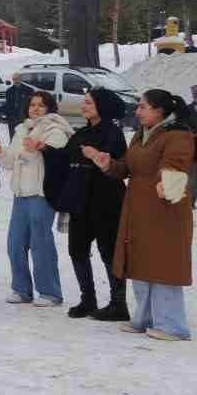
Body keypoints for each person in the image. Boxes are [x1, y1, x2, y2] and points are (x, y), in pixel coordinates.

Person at [85, 89, 194, 341]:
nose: (138, 111)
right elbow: (127, 167)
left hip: (166, 210)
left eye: (143, 107)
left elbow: (176, 166)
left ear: (160, 111)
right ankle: (144, 318)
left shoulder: (178, 136)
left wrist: (167, 180)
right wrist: (106, 162)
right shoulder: (141, 134)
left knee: (163, 265)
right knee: (141, 263)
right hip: (137, 208)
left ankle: (172, 325)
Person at [0, 90, 70, 306]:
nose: (35, 108)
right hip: (20, 194)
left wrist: (34, 149)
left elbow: (57, 159)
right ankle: (21, 289)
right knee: (14, 243)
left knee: (40, 244)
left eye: (41, 105)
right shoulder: (22, 129)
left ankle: (50, 292)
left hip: (41, 194)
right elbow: (11, 161)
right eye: (32, 104)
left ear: (49, 108)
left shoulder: (56, 130)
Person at [60, 89, 130, 320]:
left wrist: (94, 156)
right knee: (77, 249)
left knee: (108, 251)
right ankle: (87, 299)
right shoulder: (81, 132)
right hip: (80, 200)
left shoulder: (113, 132)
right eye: (84, 102)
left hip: (106, 200)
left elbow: (115, 161)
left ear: (102, 106)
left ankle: (118, 303)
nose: (83, 106)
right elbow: (66, 156)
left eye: (89, 102)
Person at [3, 72, 35, 142]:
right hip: (12, 118)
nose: (16, 81)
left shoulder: (29, 90)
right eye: (14, 79)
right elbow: (7, 104)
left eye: (17, 79)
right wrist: (6, 116)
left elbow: (32, 104)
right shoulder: (9, 91)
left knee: (24, 135)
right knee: (13, 136)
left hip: (24, 117)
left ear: (21, 79)